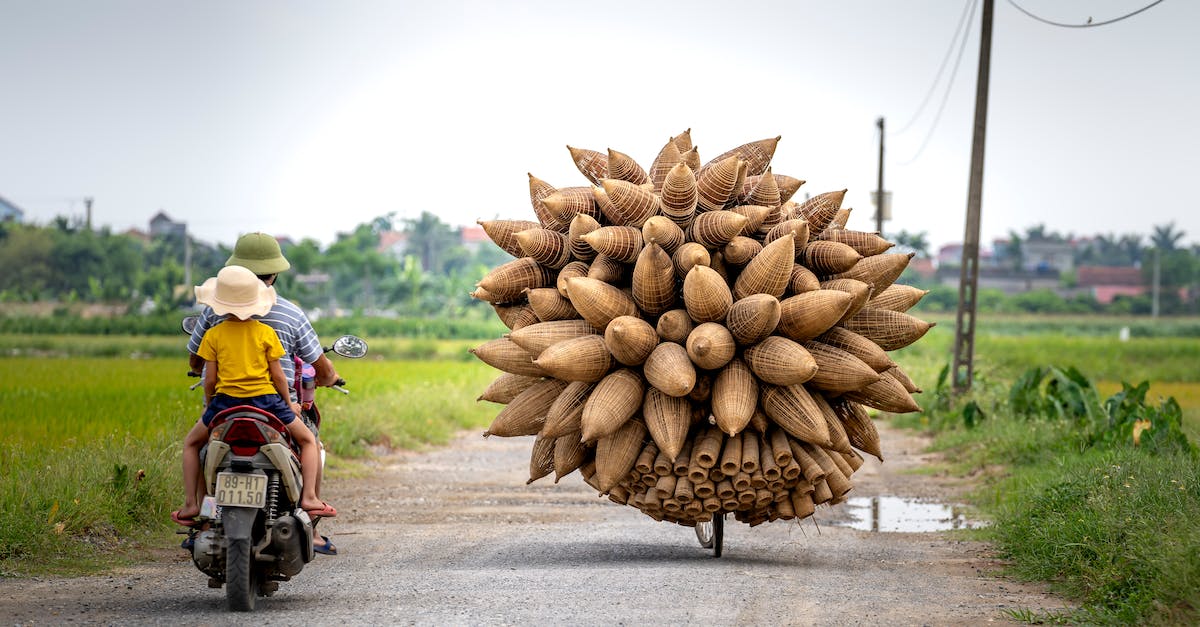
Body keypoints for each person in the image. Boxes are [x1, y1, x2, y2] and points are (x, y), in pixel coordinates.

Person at [186, 232, 341, 554]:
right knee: (309, 441)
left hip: (224, 407)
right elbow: (297, 372)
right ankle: (309, 514)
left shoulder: (212, 322)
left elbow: (203, 370)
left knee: (196, 446)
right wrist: (292, 402)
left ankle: (198, 514)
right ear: (274, 275)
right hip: (271, 405)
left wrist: (210, 402)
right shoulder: (285, 318)